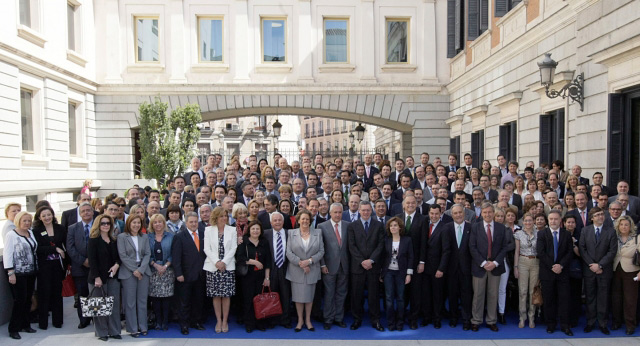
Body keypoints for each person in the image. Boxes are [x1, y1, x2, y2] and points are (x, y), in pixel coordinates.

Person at [469, 202, 509, 332]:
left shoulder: (501, 228)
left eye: (490, 212)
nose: (487, 214)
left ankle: (491, 321)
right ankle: (476, 320)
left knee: (493, 295)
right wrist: (483, 263)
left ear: (493, 213)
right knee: (478, 295)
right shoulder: (475, 227)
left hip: (495, 266)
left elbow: (504, 247)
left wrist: (495, 263)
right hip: (480, 266)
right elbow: (472, 247)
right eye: (485, 212)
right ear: (481, 213)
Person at [579, 207, 617, 335]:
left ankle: (602, 323)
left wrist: (600, 265)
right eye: (597, 215)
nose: (600, 216)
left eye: (602, 214)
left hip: (604, 270)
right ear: (592, 218)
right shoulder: (585, 230)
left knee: (603, 298)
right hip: (589, 270)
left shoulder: (611, 231)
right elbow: (582, 249)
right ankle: (590, 322)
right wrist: (592, 264)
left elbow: (612, 251)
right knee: (590, 297)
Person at [347, 201, 385, 331]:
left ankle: (375, 320)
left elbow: (381, 245)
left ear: (372, 210)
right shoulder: (352, 226)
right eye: (363, 210)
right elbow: (351, 246)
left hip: (373, 267)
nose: (365, 212)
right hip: (358, 267)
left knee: (373, 295)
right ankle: (357, 319)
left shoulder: (379, 225)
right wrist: (362, 261)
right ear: (359, 211)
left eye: (368, 210)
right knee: (356, 295)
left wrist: (372, 260)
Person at [286, 209, 325, 332]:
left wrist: (309, 262)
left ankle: (308, 320)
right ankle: (299, 320)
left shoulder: (318, 233)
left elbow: (321, 251)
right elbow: (288, 252)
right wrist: (300, 263)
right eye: (302, 219)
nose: (305, 221)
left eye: (307, 219)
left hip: (312, 269)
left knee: (309, 297)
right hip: (296, 270)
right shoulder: (291, 233)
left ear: (310, 221)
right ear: (298, 220)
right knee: (298, 298)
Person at [537, 210, 573, 336]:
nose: (553, 221)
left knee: (564, 299)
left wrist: (560, 265)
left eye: (556, 219)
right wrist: (552, 266)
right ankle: (550, 325)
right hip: (547, 272)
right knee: (549, 299)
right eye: (551, 219)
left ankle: (565, 325)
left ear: (560, 220)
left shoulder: (566, 234)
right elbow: (540, 252)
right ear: (548, 220)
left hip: (562, 273)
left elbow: (569, 252)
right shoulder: (542, 234)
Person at [87, 214, 121, 341]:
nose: (106, 225)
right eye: (103, 223)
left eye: (108, 223)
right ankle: (102, 333)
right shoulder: (93, 240)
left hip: (113, 277)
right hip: (98, 278)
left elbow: (118, 257)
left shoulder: (113, 240)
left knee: (114, 305)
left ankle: (114, 331)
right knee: (99, 306)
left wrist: (117, 265)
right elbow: (92, 260)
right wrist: (97, 277)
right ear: (98, 225)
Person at [4, 211, 38, 340]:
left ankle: (25, 324)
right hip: (18, 274)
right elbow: (7, 254)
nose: (27, 223)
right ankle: (13, 328)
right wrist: (11, 272)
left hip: (31, 272)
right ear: (18, 221)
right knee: (20, 301)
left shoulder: (31, 233)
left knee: (28, 299)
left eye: (29, 220)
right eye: (24, 220)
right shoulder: (11, 235)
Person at [203, 207, 237, 334]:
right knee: (216, 295)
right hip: (213, 267)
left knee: (226, 295)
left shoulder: (232, 230)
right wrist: (217, 262)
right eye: (221, 216)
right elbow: (207, 249)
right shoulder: (208, 230)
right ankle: (218, 320)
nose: (224, 218)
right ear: (215, 217)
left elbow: (233, 248)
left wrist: (224, 262)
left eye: (226, 216)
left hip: (227, 267)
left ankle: (225, 321)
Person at [172, 211, 206, 335]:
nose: (193, 224)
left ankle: (196, 322)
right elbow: (176, 257)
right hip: (185, 275)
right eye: (191, 222)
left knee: (198, 301)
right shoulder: (179, 236)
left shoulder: (203, 234)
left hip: (200, 275)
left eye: (195, 222)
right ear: (186, 223)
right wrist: (179, 273)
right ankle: (184, 325)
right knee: (184, 302)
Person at [32, 206, 67, 330]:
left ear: (53, 215)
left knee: (57, 294)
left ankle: (58, 321)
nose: (47, 217)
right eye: (44, 216)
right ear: (39, 218)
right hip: (43, 267)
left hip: (58, 266)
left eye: (49, 214)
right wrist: (54, 249)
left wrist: (66, 264)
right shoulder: (36, 231)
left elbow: (65, 246)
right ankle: (43, 323)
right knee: (44, 294)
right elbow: (37, 249)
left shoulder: (60, 229)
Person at [117, 214, 151, 337]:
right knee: (130, 302)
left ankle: (143, 326)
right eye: (134, 222)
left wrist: (140, 270)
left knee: (142, 301)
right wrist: (135, 270)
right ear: (128, 223)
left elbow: (147, 254)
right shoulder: (122, 237)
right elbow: (123, 256)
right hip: (128, 272)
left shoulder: (145, 237)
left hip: (143, 271)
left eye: (138, 223)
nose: (136, 225)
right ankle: (132, 328)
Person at [236, 220, 271, 333]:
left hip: (260, 276)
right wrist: (254, 262)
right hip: (247, 276)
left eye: (257, 229)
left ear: (261, 231)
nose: (255, 231)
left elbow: (268, 262)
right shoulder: (244, 242)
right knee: (248, 300)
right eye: (253, 229)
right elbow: (240, 258)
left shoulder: (264, 242)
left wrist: (267, 278)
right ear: (249, 230)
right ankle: (249, 323)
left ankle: (259, 322)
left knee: (260, 300)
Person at [319, 203, 350, 330]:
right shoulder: (321, 226)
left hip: (344, 265)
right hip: (328, 267)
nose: (337, 215)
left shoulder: (348, 225)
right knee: (329, 293)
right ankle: (328, 318)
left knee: (341, 293)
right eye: (335, 212)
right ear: (330, 213)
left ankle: (338, 318)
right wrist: (322, 264)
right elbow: (320, 247)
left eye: (339, 212)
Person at [381, 216, 413, 331]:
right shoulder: (386, 240)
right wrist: (381, 274)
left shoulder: (407, 240)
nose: (393, 227)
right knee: (389, 299)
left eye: (395, 225)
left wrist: (409, 274)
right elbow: (382, 257)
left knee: (400, 298)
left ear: (400, 227)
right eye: (391, 226)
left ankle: (400, 322)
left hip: (401, 273)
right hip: (388, 272)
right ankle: (390, 323)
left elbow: (411, 257)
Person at [66, 202, 95, 329]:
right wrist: (83, 260)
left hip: (96, 267)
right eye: (83, 211)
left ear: (93, 212)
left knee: (94, 293)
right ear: (80, 213)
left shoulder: (99, 225)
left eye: (88, 210)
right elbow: (70, 248)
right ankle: (84, 319)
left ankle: (96, 318)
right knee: (82, 294)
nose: (86, 213)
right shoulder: (72, 228)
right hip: (79, 267)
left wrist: (93, 261)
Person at [444, 204, 473, 330]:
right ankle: (453, 318)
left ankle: (466, 319)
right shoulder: (447, 228)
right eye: (455, 213)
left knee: (467, 295)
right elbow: (446, 249)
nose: (458, 215)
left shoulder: (471, 227)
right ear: (452, 215)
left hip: (467, 268)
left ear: (464, 213)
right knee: (452, 294)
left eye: (460, 212)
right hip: (451, 268)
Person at [611, 215, 640, 335]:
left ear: (631, 226)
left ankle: (630, 324)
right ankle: (617, 322)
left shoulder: (637, 238)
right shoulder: (613, 237)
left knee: (630, 299)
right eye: (621, 224)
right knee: (616, 298)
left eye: (626, 225)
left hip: (631, 271)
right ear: (618, 226)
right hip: (614, 270)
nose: (624, 227)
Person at [263, 212, 292, 329]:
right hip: (272, 267)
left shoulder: (289, 233)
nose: (277, 222)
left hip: (286, 267)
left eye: (279, 220)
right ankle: (272, 320)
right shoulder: (266, 234)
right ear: (271, 222)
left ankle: (286, 320)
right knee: (272, 295)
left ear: (283, 221)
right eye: (275, 220)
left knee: (286, 295)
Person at [148, 214, 174, 331]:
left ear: (164, 223)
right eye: (155, 222)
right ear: (152, 224)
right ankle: (158, 321)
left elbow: (174, 253)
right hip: (153, 270)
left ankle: (165, 321)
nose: (158, 224)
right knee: (155, 298)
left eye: (160, 222)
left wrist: (165, 265)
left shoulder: (171, 236)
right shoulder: (147, 237)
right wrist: (155, 264)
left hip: (167, 270)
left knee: (166, 297)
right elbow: (145, 254)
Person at [513, 214, 538, 328]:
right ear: (522, 222)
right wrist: (516, 267)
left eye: (530, 220)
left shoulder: (539, 233)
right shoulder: (518, 234)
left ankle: (532, 317)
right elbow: (517, 251)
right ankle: (522, 317)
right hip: (522, 261)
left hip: (535, 262)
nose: (528, 223)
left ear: (533, 221)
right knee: (522, 291)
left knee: (533, 291)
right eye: (526, 221)